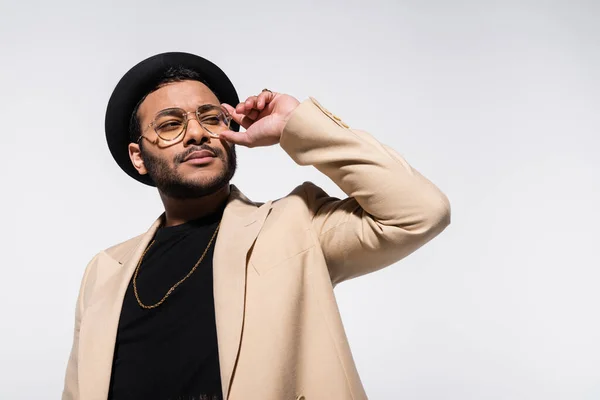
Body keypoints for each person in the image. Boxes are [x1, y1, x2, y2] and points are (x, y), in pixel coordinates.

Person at [62, 52, 451, 400]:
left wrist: (295, 126)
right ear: (139, 157)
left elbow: (419, 211)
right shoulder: (103, 272)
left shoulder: (298, 224)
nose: (197, 133)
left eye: (211, 118)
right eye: (170, 125)